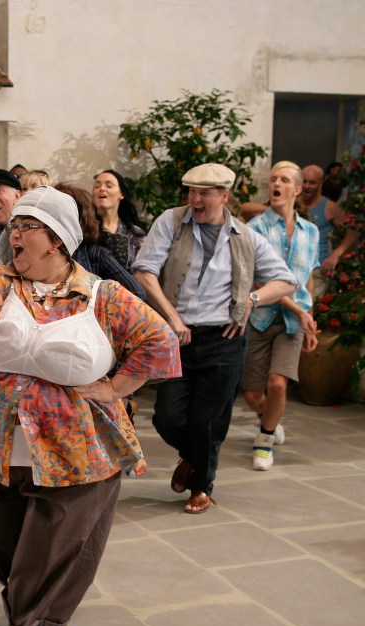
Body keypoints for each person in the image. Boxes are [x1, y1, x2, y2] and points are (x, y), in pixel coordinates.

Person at [0, 186, 180, 626]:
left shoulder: (102, 295)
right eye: (14, 226)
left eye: (27, 226)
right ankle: (38, 604)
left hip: (77, 454)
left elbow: (159, 339)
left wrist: (116, 388)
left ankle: (46, 622)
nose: (14, 232)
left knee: (53, 546)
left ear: (57, 240)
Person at [132, 163, 298, 515]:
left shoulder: (245, 236)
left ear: (224, 196)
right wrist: (172, 318)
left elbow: (285, 281)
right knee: (167, 417)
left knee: (208, 419)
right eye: (191, 191)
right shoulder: (171, 222)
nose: (195, 199)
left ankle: (201, 487)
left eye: (204, 192)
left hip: (224, 337)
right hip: (178, 336)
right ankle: (194, 458)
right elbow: (145, 271)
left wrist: (251, 300)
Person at [242, 161, 319, 470]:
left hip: (292, 323)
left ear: (297, 189)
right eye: (273, 179)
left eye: (284, 179)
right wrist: (299, 310)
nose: (277, 183)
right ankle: (269, 416)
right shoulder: (255, 228)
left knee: (277, 385)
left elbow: (308, 278)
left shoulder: (310, 232)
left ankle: (265, 438)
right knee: (251, 394)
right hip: (260, 316)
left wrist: (309, 318)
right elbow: (258, 279)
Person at [302, 164, 357, 297]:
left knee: (307, 313)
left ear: (320, 184)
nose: (307, 186)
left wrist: (337, 254)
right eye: (304, 181)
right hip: (291, 271)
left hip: (316, 272)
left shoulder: (329, 207)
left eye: (312, 183)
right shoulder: (291, 203)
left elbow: (353, 231)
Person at [92, 168, 147, 270]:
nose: (102, 189)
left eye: (109, 185)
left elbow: (143, 271)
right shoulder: (84, 229)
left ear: (121, 194)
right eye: (97, 186)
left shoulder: (135, 233)